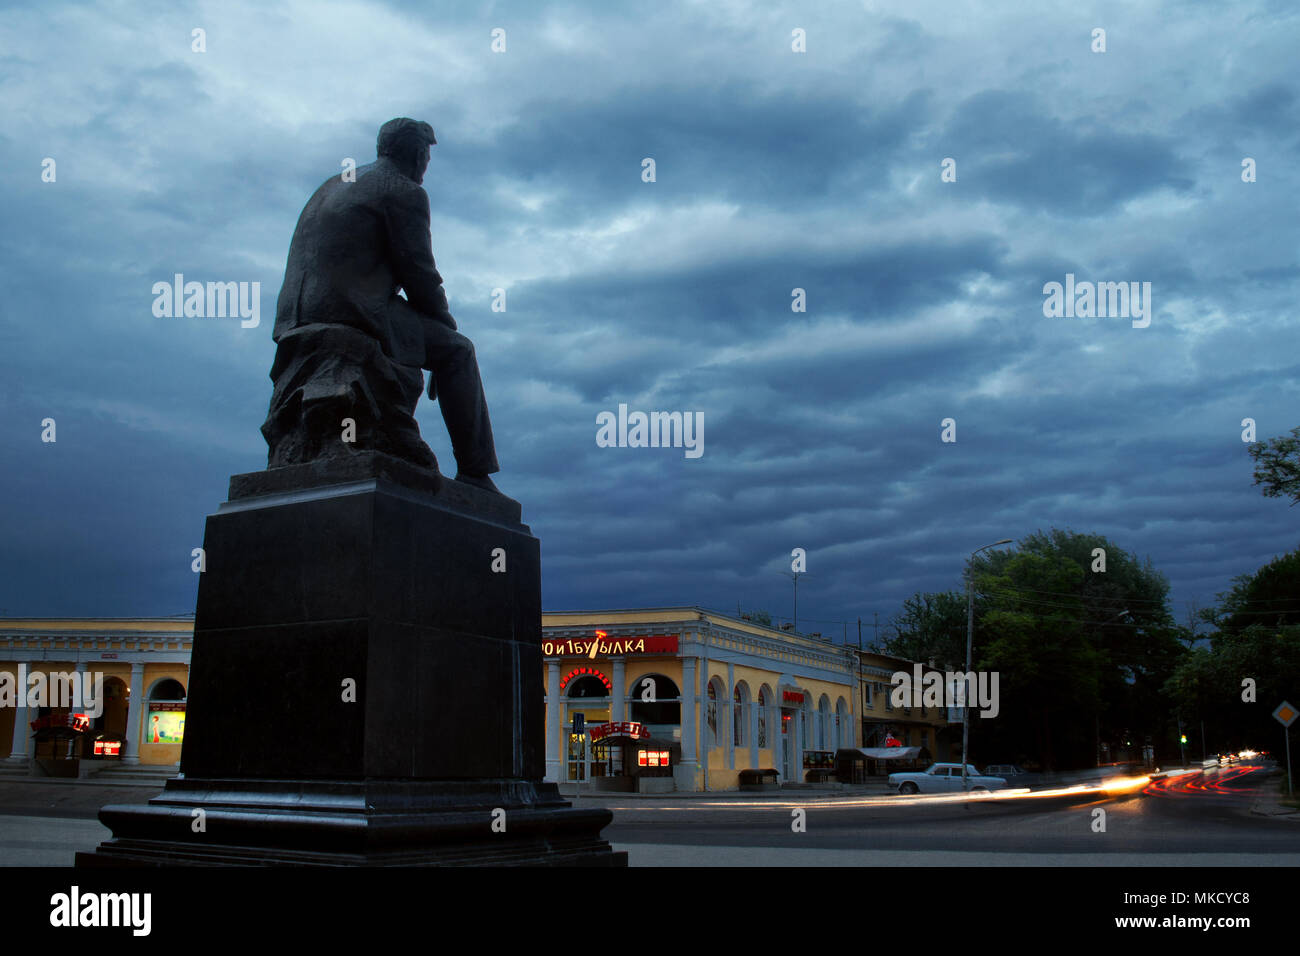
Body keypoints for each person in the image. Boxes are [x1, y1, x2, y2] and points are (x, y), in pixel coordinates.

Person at [262, 117, 502, 493]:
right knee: (457, 352)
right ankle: (476, 473)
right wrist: (444, 327)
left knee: (443, 344)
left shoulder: (335, 183)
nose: (426, 166)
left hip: (297, 318)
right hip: (351, 310)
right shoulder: (403, 191)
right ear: (418, 153)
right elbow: (420, 274)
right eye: (426, 156)